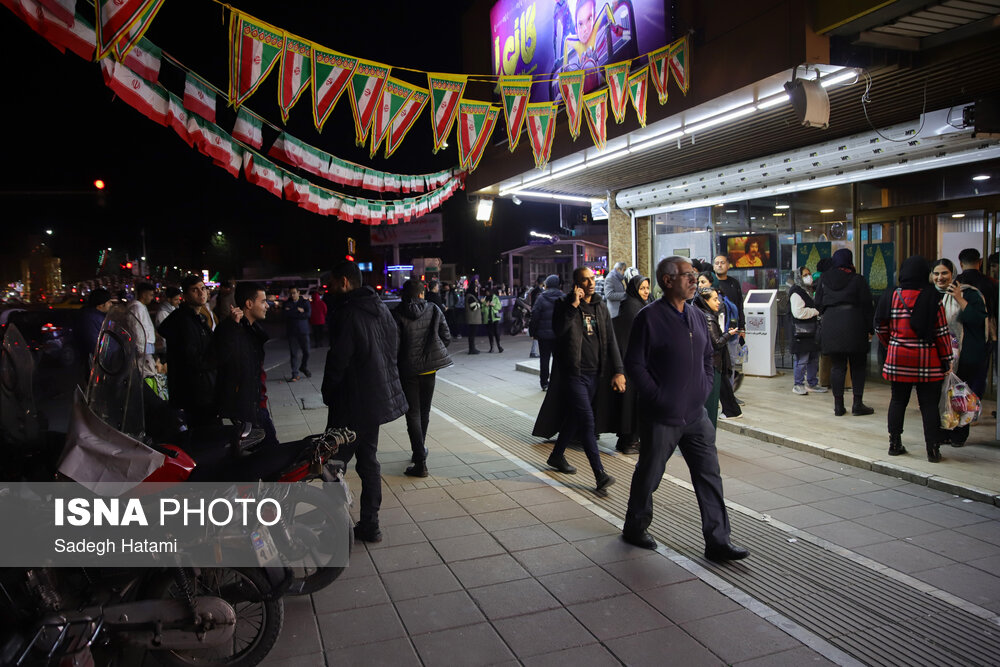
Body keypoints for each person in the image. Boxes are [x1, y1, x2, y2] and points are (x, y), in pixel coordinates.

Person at [621, 256, 749, 562]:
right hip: (662, 416)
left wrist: (704, 388)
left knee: (709, 477)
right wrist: (659, 397)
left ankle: (718, 541)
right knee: (650, 474)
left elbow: (707, 355)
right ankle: (635, 527)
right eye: (687, 276)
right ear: (668, 280)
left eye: (694, 275)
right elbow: (635, 366)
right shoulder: (648, 318)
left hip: (696, 416)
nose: (694, 280)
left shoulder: (695, 315)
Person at [322, 261, 407, 543]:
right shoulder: (381, 308)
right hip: (374, 401)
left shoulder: (348, 313)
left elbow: (338, 360)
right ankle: (371, 524)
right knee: (368, 461)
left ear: (345, 282)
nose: (329, 288)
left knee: (331, 463)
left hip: (351, 402)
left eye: (332, 283)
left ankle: (334, 526)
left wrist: (328, 391)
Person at [532, 267, 624, 492]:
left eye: (592, 279)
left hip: (595, 374)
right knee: (587, 422)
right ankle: (599, 475)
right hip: (573, 374)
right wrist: (573, 306)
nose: (591, 283)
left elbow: (611, 340)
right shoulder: (563, 304)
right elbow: (559, 331)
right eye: (585, 280)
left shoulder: (600, 306)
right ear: (576, 284)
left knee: (575, 417)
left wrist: (619, 370)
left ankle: (556, 456)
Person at [875, 256, 953, 462]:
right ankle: (933, 450)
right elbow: (941, 333)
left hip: (898, 358)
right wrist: (947, 359)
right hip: (927, 360)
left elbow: (880, 327)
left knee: (898, 400)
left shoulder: (891, 295)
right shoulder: (932, 297)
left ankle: (894, 444)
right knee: (929, 405)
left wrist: (891, 344)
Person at [392, 280, 452, 478]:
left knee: (413, 414)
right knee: (424, 412)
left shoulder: (397, 312)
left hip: (408, 371)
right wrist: (432, 353)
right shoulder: (433, 309)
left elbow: (394, 346)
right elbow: (446, 337)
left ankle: (420, 460)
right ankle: (420, 451)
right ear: (421, 294)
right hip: (429, 370)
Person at [933, 258, 988, 447]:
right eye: (937, 274)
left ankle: (959, 434)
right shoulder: (930, 294)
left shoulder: (969, 293)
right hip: (937, 356)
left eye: (944, 273)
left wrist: (959, 298)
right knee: (938, 396)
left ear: (953, 274)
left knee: (959, 396)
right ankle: (941, 431)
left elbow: (978, 320)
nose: (940, 278)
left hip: (963, 356)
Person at [215, 281, 277, 447]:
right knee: (269, 452)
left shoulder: (253, 331)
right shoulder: (233, 331)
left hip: (256, 403)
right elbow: (219, 360)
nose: (267, 306)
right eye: (263, 302)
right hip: (247, 408)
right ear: (249, 304)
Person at [815, 249, 875, 417]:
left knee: (838, 365)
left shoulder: (824, 279)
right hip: (855, 324)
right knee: (858, 366)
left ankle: (838, 406)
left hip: (832, 325)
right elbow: (867, 306)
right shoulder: (858, 279)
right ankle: (857, 404)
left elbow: (818, 303)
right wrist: (870, 328)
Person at [159, 275, 217, 426]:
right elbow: (193, 357)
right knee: (203, 432)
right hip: (195, 391)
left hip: (202, 387)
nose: (201, 293)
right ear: (184, 295)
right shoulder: (183, 321)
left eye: (203, 288)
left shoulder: (197, 317)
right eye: (194, 290)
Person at [612, 274, 650, 454]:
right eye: (642, 288)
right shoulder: (632, 306)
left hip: (634, 360)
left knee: (632, 403)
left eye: (647, 288)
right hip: (632, 362)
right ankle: (630, 442)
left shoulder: (636, 304)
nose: (646, 292)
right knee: (631, 403)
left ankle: (627, 440)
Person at [694, 287, 741, 427]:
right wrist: (729, 334)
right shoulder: (708, 317)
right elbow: (717, 343)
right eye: (714, 299)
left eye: (718, 298)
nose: (718, 302)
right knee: (710, 406)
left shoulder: (698, 314)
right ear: (705, 301)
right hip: (712, 364)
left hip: (705, 364)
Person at [789, 266, 827, 395]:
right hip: (802, 333)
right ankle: (798, 384)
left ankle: (812, 383)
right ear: (799, 277)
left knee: (813, 359)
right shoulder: (796, 292)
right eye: (805, 275)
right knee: (802, 360)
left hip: (812, 332)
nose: (808, 277)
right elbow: (798, 312)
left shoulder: (808, 290)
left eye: (809, 274)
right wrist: (815, 311)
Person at [529, 275, 563, 391]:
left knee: (544, 358)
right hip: (559, 335)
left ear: (547, 285)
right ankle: (557, 381)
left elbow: (535, 315)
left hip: (543, 336)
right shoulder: (563, 297)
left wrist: (532, 332)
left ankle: (544, 383)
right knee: (558, 359)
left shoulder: (541, 298)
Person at [77, 288, 113, 380]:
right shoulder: (91, 319)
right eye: (109, 302)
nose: (111, 305)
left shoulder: (98, 316)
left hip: (103, 361)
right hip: (98, 364)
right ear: (100, 305)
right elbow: (94, 343)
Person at [282, 287, 311, 381]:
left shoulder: (305, 302)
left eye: (294, 293)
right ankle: (295, 374)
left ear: (298, 293)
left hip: (303, 331)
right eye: (291, 293)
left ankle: (303, 367)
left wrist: (292, 311)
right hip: (292, 332)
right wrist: (297, 310)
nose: (292, 295)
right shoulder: (287, 303)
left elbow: (308, 314)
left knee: (307, 352)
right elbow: (286, 314)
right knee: (293, 353)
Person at [128, 282, 157, 377]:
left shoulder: (141, 307)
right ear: (144, 294)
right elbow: (137, 329)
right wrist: (141, 349)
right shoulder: (137, 308)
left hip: (146, 347)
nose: (152, 298)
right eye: (151, 295)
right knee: (147, 374)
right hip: (143, 348)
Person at [481, 286, 503, 353]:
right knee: (490, 333)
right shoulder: (484, 299)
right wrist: (485, 305)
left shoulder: (495, 298)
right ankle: (492, 347)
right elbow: (482, 310)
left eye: (488, 292)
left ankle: (499, 346)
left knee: (496, 332)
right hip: (488, 319)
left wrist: (493, 305)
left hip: (495, 318)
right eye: (486, 292)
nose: (487, 293)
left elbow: (499, 307)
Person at [465, 286, 483, 354]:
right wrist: (480, 303)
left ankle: (472, 348)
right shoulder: (471, 297)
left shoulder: (470, 296)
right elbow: (473, 307)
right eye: (475, 289)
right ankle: (472, 349)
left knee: (472, 334)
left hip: (473, 319)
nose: (476, 290)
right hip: (473, 319)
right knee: (472, 334)